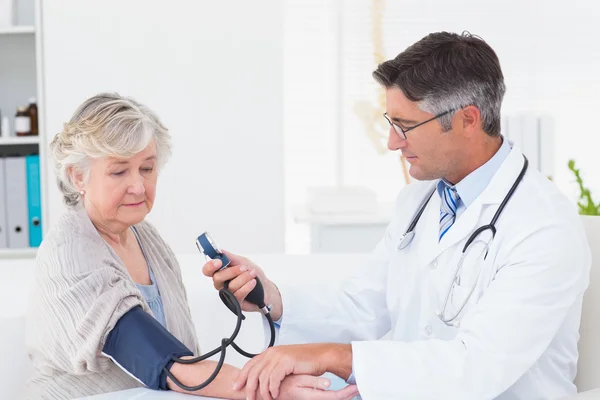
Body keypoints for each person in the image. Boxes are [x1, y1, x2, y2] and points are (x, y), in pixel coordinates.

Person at [203, 31, 592, 400]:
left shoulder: (543, 226)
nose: (392, 143)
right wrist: (271, 298)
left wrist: (334, 356)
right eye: (391, 123)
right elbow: (366, 306)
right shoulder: (419, 201)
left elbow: (479, 365)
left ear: (468, 120)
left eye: (405, 126)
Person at [23, 93, 358, 400]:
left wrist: (262, 297)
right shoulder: (69, 252)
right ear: (78, 176)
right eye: (119, 171)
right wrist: (270, 388)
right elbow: (156, 356)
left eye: (147, 168)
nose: (138, 186)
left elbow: (183, 357)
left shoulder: (147, 239)